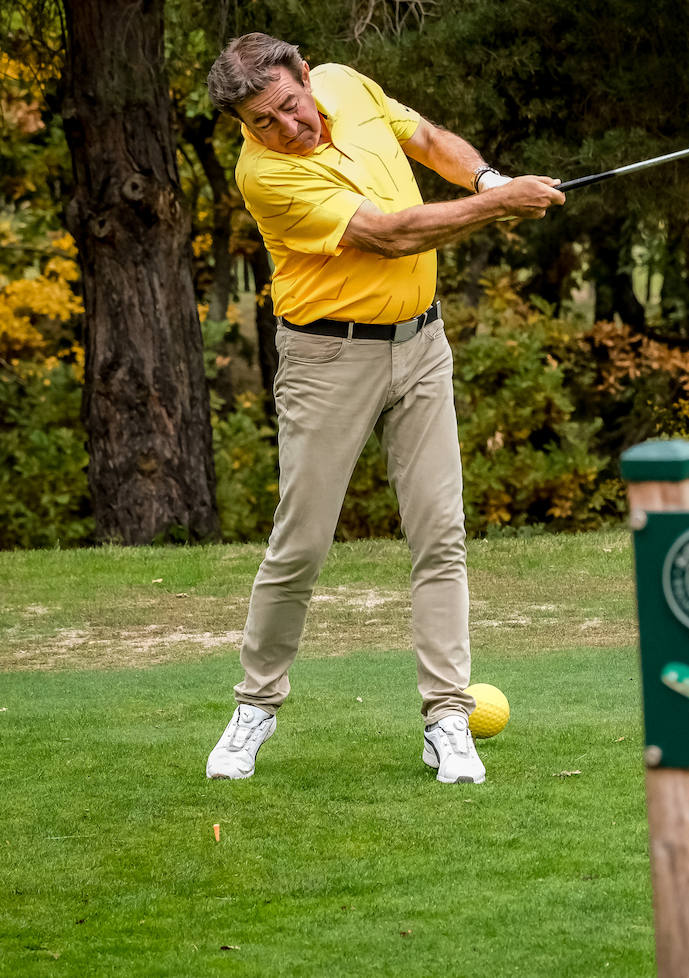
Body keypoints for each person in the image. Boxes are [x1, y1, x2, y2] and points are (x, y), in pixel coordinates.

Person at [202, 33, 564, 784]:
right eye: (261, 121)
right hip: (328, 359)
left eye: (289, 107)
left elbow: (426, 138)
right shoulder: (266, 174)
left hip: (422, 344)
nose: (285, 129)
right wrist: (499, 205)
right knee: (300, 545)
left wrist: (487, 176)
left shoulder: (346, 81)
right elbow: (389, 234)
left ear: (306, 75)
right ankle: (255, 706)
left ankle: (447, 722)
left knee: (441, 534)